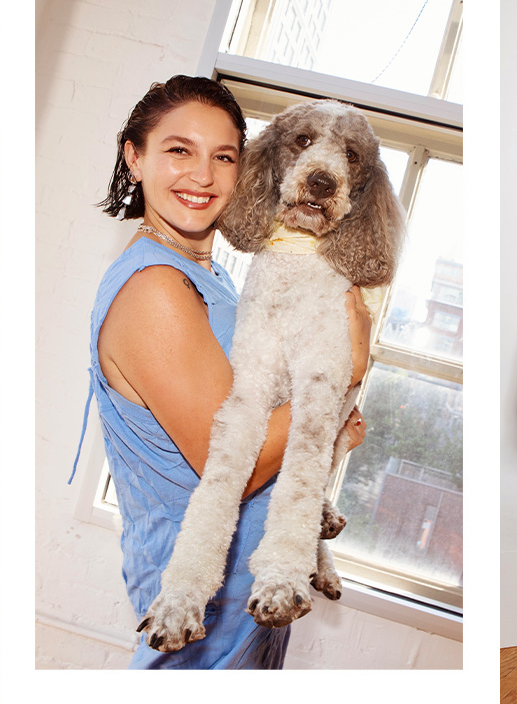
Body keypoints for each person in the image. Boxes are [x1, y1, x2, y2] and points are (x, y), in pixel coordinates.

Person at [76, 75, 370, 668]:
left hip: (253, 592)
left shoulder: (216, 279)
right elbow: (231, 459)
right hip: (206, 606)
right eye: (178, 150)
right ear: (135, 157)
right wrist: (350, 369)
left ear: (247, 169)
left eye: (224, 157)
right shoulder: (155, 289)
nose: (203, 175)